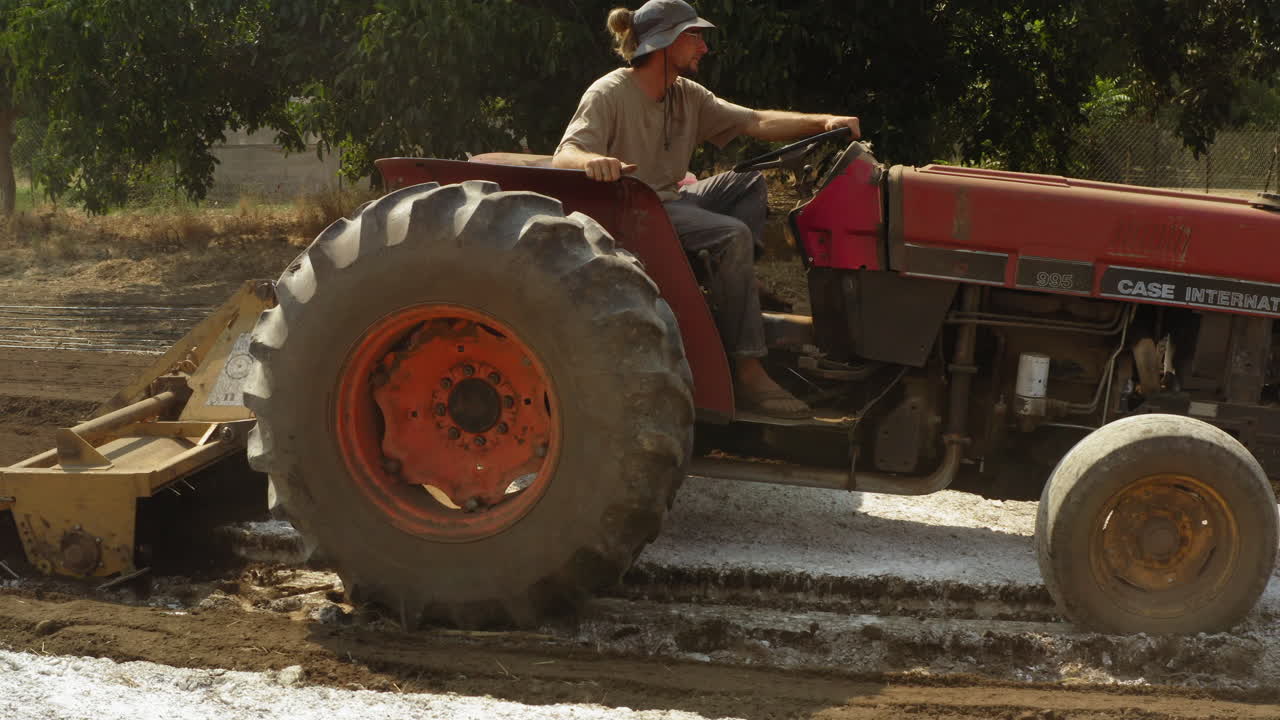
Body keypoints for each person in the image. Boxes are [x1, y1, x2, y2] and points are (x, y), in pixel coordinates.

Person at [552, 0, 860, 419]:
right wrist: (592, 161)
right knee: (731, 234)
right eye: (693, 36)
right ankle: (748, 368)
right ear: (664, 43)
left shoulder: (686, 95)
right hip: (638, 213)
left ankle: (736, 284)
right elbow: (565, 152)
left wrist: (823, 122)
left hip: (673, 201)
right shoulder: (609, 92)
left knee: (748, 182)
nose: (703, 47)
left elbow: (755, 121)